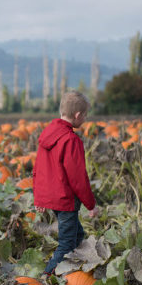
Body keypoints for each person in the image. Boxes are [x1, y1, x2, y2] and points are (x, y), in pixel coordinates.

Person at [33, 90, 98, 275]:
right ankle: (48, 276)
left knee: (77, 235)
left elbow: (38, 170)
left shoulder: (47, 135)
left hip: (53, 199)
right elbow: (78, 178)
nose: (85, 119)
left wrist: (39, 198)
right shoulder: (71, 141)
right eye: (85, 115)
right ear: (77, 115)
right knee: (67, 243)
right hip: (66, 200)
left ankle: (73, 272)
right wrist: (91, 205)